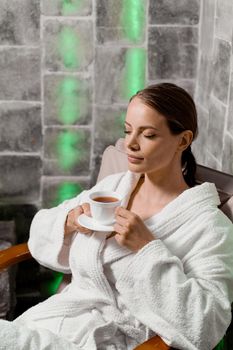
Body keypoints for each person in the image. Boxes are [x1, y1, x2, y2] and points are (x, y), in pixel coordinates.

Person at [1, 83, 233, 350]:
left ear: (182, 140)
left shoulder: (210, 227)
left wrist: (147, 250)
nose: (130, 144)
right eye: (127, 130)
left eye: (147, 135)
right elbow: (43, 229)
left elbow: (206, 325)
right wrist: (69, 222)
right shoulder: (113, 188)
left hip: (112, 341)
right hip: (58, 319)